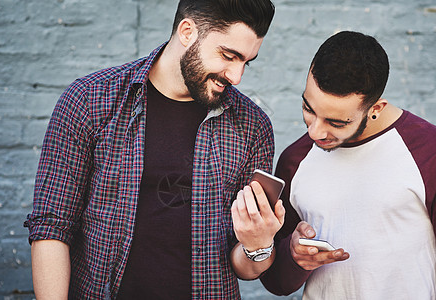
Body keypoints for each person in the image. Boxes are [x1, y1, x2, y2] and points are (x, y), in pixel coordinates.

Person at [23, 0, 285, 299]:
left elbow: (244, 268)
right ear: (187, 31)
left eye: (246, 62)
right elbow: (52, 227)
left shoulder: (253, 125)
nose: (236, 76)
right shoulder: (89, 101)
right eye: (228, 55)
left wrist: (258, 245)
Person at [258, 31, 436, 299]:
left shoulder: (427, 150)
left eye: (336, 122)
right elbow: (276, 283)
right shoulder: (295, 161)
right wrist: (295, 258)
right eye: (309, 109)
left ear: (376, 108)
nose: (315, 132)